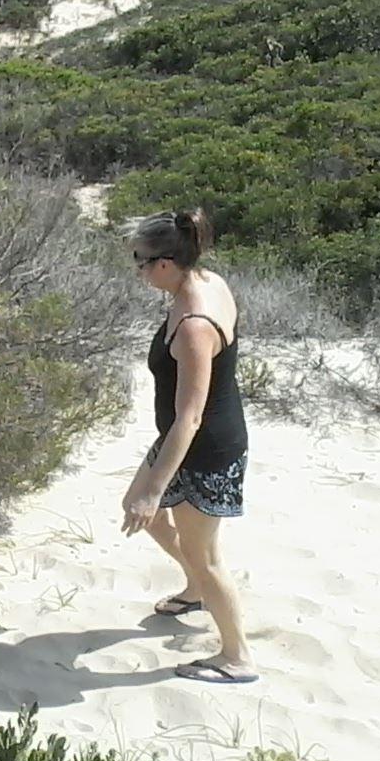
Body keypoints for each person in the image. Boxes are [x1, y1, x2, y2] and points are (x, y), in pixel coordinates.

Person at [120, 208, 257, 684]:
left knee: (205, 556)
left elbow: (191, 417)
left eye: (140, 262)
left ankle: (237, 657)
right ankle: (196, 590)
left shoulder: (196, 324)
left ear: (164, 263)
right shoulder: (203, 281)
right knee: (146, 514)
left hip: (206, 450)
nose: (138, 271)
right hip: (180, 441)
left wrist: (154, 488)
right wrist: (149, 493)